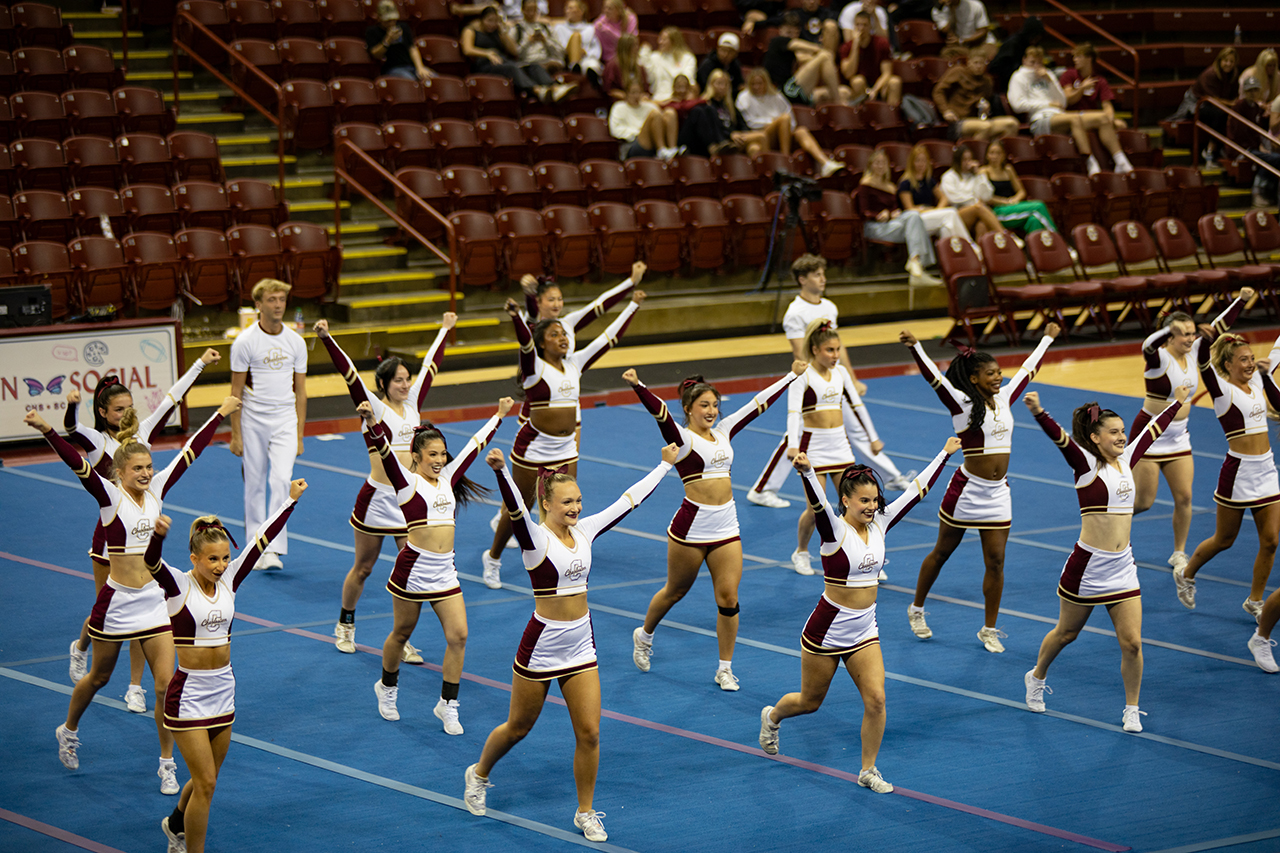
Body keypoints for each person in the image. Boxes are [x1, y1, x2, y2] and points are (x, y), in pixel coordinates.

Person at [463, 444, 679, 843]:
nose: (576, 507)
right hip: (542, 645)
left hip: (582, 644)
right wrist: (501, 472)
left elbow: (628, 500)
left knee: (590, 732)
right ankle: (479, 774)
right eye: (567, 502)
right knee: (518, 727)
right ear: (546, 503)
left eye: (579, 500)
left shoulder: (586, 530)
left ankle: (585, 811)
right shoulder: (535, 539)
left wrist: (664, 465)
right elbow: (514, 508)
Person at [25, 395, 241, 792]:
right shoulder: (109, 497)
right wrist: (46, 429)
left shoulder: (158, 488)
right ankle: (69, 728)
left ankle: (166, 762)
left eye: (148, 467)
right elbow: (78, 465)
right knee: (99, 677)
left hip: (156, 605)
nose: (145, 473)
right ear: (119, 472)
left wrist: (220, 414)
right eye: (137, 468)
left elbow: (189, 452)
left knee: (163, 685)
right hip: (119, 601)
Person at [758, 439, 960, 793]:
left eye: (874, 500)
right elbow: (819, 507)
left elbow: (916, 491)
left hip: (865, 628)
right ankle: (773, 716)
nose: (871, 506)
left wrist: (944, 454)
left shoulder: (881, 522)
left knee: (877, 699)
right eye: (863, 500)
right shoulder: (834, 530)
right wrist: (807, 473)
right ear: (846, 500)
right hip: (827, 629)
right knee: (810, 702)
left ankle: (868, 770)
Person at [145, 482, 305, 853]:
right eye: (211, 559)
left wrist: (290, 501)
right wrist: (156, 537)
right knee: (205, 784)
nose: (219, 566)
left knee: (209, 779)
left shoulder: (230, 579)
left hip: (224, 691)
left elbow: (261, 541)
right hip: (189, 695)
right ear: (194, 559)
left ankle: (174, 823)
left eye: (222, 559)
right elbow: (151, 564)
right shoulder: (178, 587)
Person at [624, 362, 805, 688]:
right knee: (675, 591)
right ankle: (645, 634)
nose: (711, 411)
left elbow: (757, 405)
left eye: (715, 405)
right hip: (691, 529)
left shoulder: (724, 431)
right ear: (689, 409)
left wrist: (791, 376)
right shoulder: (682, 439)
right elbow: (661, 415)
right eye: (704, 405)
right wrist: (639, 386)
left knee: (728, 598)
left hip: (726, 527)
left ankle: (724, 667)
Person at [62, 348, 221, 711]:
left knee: (145, 614)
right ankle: (82, 645)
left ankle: (135, 685)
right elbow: (71, 430)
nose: (125, 414)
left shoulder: (143, 434)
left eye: (129, 407)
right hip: (111, 535)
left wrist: (200, 364)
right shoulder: (99, 441)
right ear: (103, 412)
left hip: (145, 534)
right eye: (118, 409)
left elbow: (172, 399)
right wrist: (71, 407)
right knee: (107, 605)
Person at [1021, 387, 1187, 732]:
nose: (1122, 437)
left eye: (1123, 431)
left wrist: (1178, 402)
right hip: (1088, 568)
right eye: (1113, 432)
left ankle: (1131, 708)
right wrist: (1039, 412)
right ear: (1095, 437)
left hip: (1123, 566)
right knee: (1066, 633)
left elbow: (1153, 430)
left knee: (1132, 642)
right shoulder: (1085, 467)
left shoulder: (1128, 460)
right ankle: (1036, 676)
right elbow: (1062, 441)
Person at [898, 322, 1060, 651]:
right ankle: (916, 608)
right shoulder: (962, 404)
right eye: (990, 373)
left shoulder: (1005, 397)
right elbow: (935, 380)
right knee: (942, 551)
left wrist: (1047, 338)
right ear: (974, 378)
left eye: (999, 371)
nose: (998, 377)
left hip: (999, 493)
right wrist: (916, 346)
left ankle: (989, 627)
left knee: (997, 561)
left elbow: (1029, 368)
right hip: (966, 490)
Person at [360, 396, 511, 730]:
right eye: (432, 455)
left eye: (442, 454)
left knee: (458, 636)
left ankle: (448, 704)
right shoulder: (406, 482)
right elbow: (383, 449)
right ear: (416, 457)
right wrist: (372, 423)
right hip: (413, 570)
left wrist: (498, 415)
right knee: (401, 633)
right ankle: (386, 687)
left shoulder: (448, 477)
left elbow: (474, 445)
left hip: (445, 571)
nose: (440, 460)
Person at [482, 290, 645, 587]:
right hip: (533, 446)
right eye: (555, 334)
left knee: (561, 502)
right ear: (542, 342)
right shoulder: (534, 369)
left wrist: (633, 305)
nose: (563, 337)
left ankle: (553, 553)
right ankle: (493, 558)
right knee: (519, 505)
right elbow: (525, 343)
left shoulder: (575, 364)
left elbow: (608, 339)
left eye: (565, 334)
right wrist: (517, 316)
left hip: (565, 447)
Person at [314, 315, 454, 657]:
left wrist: (445, 330)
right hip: (378, 498)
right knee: (363, 567)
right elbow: (349, 375)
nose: (406, 385)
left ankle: (401, 638)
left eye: (407, 379)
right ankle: (345, 624)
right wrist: (327, 338)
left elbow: (432, 365)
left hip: (410, 500)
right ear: (384, 383)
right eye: (399, 381)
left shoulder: (414, 404)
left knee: (413, 568)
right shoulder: (374, 407)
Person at [750, 253, 920, 510]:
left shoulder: (829, 307)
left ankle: (891, 475)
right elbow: (800, 352)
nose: (823, 279)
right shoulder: (794, 312)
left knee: (851, 427)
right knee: (796, 435)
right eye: (817, 275)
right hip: (813, 380)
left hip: (833, 377)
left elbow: (837, 346)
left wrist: (849, 376)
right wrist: (814, 379)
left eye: (823, 274)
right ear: (802, 280)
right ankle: (762, 488)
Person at [1131, 296, 1249, 574]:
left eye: (1191, 332)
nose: (1190, 337)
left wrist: (1241, 300)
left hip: (1178, 435)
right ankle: (1112, 524)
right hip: (1150, 434)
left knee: (1184, 497)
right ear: (1170, 336)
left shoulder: (1195, 351)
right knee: (1144, 502)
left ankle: (1179, 552)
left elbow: (1218, 328)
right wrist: (1165, 331)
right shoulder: (1158, 357)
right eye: (1183, 333)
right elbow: (1146, 344)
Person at [1173, 333, 1280, 618]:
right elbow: (1203, 362)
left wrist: (1267, 374)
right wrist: (1207, 339)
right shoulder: (1222, 392)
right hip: (1239, 473)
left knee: (1270, 541)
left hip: (1267, 470)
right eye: (1243, 360)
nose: (1249, 364)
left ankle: (1255, 601)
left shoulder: (1258, 381)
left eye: (1251, 359)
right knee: (1225, 538)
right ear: (1228, 365)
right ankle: (1187, 573)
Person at [787, 320, 887, 576]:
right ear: (815, 349)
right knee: (815, 509)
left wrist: (873, 438)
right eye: (829, 350)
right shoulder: (803, 375)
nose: (835, 355)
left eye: (838, 349)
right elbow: (794, 412)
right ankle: (800, 551)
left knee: (856, 505)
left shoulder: (841, 373)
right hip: (814, 449)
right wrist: (793, 445)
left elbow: (858, 406)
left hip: (840, 447)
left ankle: (868, 555)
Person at [229, 279, 307, 572]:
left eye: (282, 300)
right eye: (272, 300)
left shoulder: (296, 342)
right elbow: (235, 392)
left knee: (280, 480)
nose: (278, 305)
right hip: (253, 419)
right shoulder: (245, 342)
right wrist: (235, 434)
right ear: (259, 305)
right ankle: (253, 546)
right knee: (255, 483)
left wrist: (299, 434)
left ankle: (272, 547)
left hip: (285, 418)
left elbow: (301, 391)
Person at [1008, 46, 1136, 176]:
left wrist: (1050, 81)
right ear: (1024, 60)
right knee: (1074, 119)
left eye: (1039, 62)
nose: (1036, 67)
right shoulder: (1018, 77)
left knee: (1103, 118)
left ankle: (1121, 161)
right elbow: (1017, 105)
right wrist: (1047, 103)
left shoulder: (1048, 74)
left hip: (1059, 115)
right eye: (1032, 62)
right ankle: (1090, 163)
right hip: (1040, 118)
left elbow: (1062, 102)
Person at [856, 149, 944, 285]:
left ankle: (916, 265)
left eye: (883, 163)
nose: (880, 166)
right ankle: (920, 266)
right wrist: (878, 215)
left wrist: (892, 213)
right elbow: (863, 211)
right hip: (874, 226)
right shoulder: (865, 184)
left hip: (892, 224)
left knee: (914, 216)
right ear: (870, 165)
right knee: (916, 224)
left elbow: (894, 208)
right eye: (877, 163)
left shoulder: (891, 187)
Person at [736, 68, 845, 176]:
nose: (756, 87)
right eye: (753, 84)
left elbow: (791, 117)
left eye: (760, 83)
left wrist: (783, 127)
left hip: (782, 133)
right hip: (761, 134)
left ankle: (825, 163)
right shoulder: (744, 97)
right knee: (783, 119)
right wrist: (773, 122)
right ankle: (786, 158)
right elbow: (749, 122)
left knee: (801, 131)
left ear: (766, 83)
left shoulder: (776, 96)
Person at [461, 5, 567, 102]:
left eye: (495, 21)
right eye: (489, 21)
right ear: (482, 20)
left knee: (533, 66)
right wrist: (487, 53)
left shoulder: (497, 32)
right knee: (512, 68)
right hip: (485, 64)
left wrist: (503, 32)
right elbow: (467, 49)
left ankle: (555, 88)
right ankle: (538, 91)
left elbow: (513, 51)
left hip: (502, 61)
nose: (492, 24)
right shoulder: (471, 30)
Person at [758, 12, 847, 108]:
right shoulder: (777, 41)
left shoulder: (794, 53)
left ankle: (839, 103)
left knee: (845, 92)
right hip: (782, 92)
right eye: (788, 32)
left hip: (793, 92)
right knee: (824, 55)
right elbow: (797, 45)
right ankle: (838, 104)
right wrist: (822, 50)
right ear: (780, 30)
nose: (790, 36)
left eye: (794, 33)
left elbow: (811, 60)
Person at [933, 48, 1019, 141]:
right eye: (976, 63)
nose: (979, 66)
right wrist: (946, 110)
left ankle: (995, 151)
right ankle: (977, 152)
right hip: (959, 120)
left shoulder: (987, 81)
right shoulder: (958, 72)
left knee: (1012, 124)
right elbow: (938, 91)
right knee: (985, 127)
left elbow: (986, 101)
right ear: (969, 62)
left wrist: (986, 108)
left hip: (978, 119)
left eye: (982, 63)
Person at [1169, 47, 1238, 162]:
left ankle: (1221, 149)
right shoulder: (1210, 74)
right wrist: (1231, 103)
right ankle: (1211, 150)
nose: (1228, 64)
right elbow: (1212, 99)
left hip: (1219, 106)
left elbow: (1234, 96)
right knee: (1220, 115)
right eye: (1226, 61)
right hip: (1197, 105)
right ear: (1220, 60)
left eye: (1231, 61)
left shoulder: (1233, 75)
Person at [897, 144, 975, 242]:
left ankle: (950, 255)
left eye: (923, 161)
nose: (921, 164)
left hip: (931, 216)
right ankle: (970, 246)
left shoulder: (929, 181)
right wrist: (928, 210)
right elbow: (910, 209)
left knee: (947, 228)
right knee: (951, 213)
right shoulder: (905, 183)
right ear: (912, 162)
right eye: (918, 161)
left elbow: (944, 198)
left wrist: (938, 210)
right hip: (915, 220)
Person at [980, 139, 1057, 233]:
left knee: (1034, 220)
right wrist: (1004, 202)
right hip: (997, 211)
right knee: (1039, 206)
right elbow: (985, 197)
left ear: (1004, 155)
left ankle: (1038, 246)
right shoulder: (984, 171)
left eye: (998, 153)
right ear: (987, 155)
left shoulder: (1008, 170)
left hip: (1012, 206)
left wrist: (1014, 200)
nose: (994, 156)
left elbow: (1021, 191)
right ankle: (1057, 239)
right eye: (991, 153)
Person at [678, 69, 760, 158]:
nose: (722, 87)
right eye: (719, 83)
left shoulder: (729, 106)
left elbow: (742, 124)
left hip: (731, 140)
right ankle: (715, 147)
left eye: (725, 84)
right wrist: (730, 134)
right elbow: (709, 129)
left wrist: (739, 134)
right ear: (711, 85)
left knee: (757, 144)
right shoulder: (705, 105)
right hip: (708, 143)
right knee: (761, 136)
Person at [1227, 78, 1280, 208]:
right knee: (1275, 159)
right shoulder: (1239, 106)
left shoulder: (1255, 107)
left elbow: (1257, 130)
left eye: (1255, 90)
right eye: (1250, 90)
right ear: (1245, 91)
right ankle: (1258, 192)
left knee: (1273, 157)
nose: (1252, 93)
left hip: (1252, 147)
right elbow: (1240, 132)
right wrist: (1256, 146)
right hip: (1240, 148)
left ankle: (1267, 191)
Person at [938, 144, 1007, 239]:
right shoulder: (949, 176)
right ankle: (1006, 236)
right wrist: (974, 201)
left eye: (969, 159)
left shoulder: (974, 176)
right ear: (958, 161)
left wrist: (979, 175)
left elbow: (987, 195)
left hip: (976, 213)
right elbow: (953, 198)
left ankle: (981, 252)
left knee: (982, 225)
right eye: (964, 160)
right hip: (956, 213)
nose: (968, 163)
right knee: (978, 207)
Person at [838, 11, 901, 108]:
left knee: (895, 82)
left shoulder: (881, 43)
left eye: (864, 25)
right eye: (858, 25)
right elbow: (848, 74)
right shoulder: (846, 47)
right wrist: (855, 46)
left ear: (870, 27)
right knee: (857, 81)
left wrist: (875, 90)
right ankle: (861, 117)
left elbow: (887, 73)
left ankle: (891, 118)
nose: (861, 29)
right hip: (858, 87)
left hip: (879, 85)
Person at [610, 77, 680, 160]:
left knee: (670, 112)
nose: (636, 96)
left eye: (638, 93)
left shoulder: (649, 106)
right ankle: (661, 150)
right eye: (633, 93)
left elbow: (661, 122)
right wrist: (638, 132)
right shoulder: (619, 107)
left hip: (653, 139)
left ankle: (672, 149)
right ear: (626, 93)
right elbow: (615, 130)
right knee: (654, 114)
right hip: (632, 143)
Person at [1059, 43, 1124, 130]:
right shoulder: (1069, 74)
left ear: (1089, 58)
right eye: (1074, 57)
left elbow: (1107, 105)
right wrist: (1081, 88)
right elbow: (1068, 99)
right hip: (1074, 116)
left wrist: (1110, 118)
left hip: (1092, 116)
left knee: (1120, 124)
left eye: (1078, 57)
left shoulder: (1100, 80)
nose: (1075, 60)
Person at [366, 0, 434, 82]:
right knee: (410, 81)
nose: (392, 23)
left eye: (393, 19)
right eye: (388, 21)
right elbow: (375, 54)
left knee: (433, 78)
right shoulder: (372, 31)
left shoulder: (403, 27)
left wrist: (420, 67)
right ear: (379, 18)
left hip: (411, 66)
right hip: (392, 69)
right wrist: (387, 40)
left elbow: (412, 48)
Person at [746, 0, 841, 56]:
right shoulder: (795, 14)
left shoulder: (828, 14)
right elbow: (772, 21)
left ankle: (829, 63)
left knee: (831, 25)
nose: (812, 2)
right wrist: (752, 22)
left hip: (825, 51)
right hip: (804, 51)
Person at [512, 0, 570, 81]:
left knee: (556, 65)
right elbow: (515, 53)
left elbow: (560, 51)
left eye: (534, 10)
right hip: (528, 63)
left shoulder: (546, 28)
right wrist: (528, 41)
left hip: (547, 61)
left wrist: (546, 41)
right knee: (537, 68)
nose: (531, 13)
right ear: (522, 10)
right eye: (528, 10)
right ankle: (553, 87)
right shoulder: (517, 30)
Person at [640, 26, 696, 103]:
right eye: (660, 39)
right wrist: (644, 54)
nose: (660, 42)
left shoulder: (687, 58)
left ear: (674, 41)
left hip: (681, 99)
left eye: (664, 39)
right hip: (659, 99)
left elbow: (688, 80)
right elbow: (648, 77)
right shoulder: (655, 58)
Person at [553, 0, 602, 82]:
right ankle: (574, 67)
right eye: (567, 8)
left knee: (592, 65)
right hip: (567, 58)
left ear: (581, 11)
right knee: (576, 36)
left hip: (586, 57)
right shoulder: (559, 28)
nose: (568, 11)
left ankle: (594, 80)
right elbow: (559, 46)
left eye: (571, 8)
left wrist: (586, 52)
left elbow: (595, 46)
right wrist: (575, 50)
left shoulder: (590, 28)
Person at [602, 33, 648, 100]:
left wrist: (643, 97)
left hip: (638, 102)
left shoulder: (639, 68)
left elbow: (645, 90)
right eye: (634, 45)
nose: (637, 48)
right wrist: (628, 97)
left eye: (637, 45)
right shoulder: (613, 66)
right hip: (620, 102)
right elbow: (610, 90)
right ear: (626, 48)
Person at [592, 0, 638, 66]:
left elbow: (628, 41)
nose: (606, 11)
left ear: (619, 10)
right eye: (605, 8)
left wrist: (609, 31)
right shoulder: (603, 20)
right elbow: (594, 27)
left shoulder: (630, 18)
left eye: (609, 9)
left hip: (627, 55)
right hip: (608, 59)